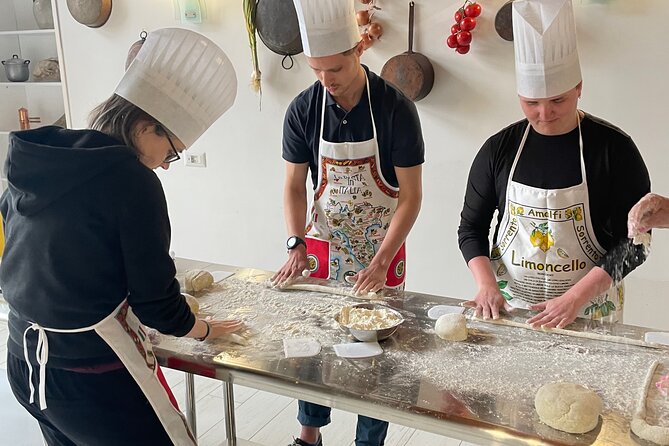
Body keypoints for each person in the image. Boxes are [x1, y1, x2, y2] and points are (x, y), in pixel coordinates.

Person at [0, 28, 241, 446]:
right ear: (147, 126)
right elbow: (157, 305)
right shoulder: (133, 181)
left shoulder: (45, 160)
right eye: (171, 153)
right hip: (92, 380)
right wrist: (200, 329)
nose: (166, 166)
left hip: (24, 364)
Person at [271, 0, 424, 443]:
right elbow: (294, 186)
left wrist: (379, 262)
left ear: (359, 48)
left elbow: (411, 198)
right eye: (316, 70)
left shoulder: (396, 110)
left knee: (376, 352)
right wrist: (294, 242)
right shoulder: (303, 110)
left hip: (383, 245)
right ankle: (309, 435)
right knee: (314, 342)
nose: (326, 81)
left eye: (334, 68)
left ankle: (368, 441)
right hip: (324, 244)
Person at [458, 0, 650, 329]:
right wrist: (486, 285)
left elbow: (636, 244)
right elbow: (471, 228)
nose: (544, 115)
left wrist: (574, 298)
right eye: (531, 103)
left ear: (578, 88)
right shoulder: (499, 149)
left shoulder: (614, 149)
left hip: (590, 311)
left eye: (557, 100)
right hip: (512, 310)